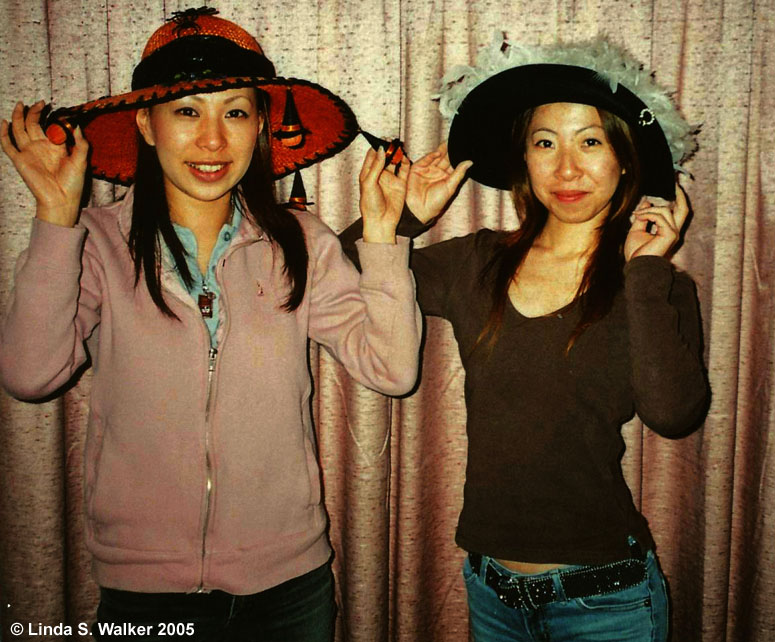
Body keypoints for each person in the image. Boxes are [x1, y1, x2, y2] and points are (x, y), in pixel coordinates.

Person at [0, 8, 420, 641]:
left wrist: (385, 234)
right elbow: (30, 376)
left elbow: (391, 370)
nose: (214, 141)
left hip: (290, 587)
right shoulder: (94, 243)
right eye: (188, 111)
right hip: (145, 596)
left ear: (261, 126)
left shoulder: (300, 242)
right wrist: (57, 219)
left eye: (236, 112)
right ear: (145, 123)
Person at [350, 37, 710, 641]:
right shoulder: (477, 262)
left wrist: (647, 269)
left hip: (608, 601)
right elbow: (344, 271)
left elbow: (674, 415)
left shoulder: (654, 288)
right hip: (492, 593)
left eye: (590, 141)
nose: (566, 169)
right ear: (523, 157)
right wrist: (407, 217)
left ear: (625, 158)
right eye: (545, 143)